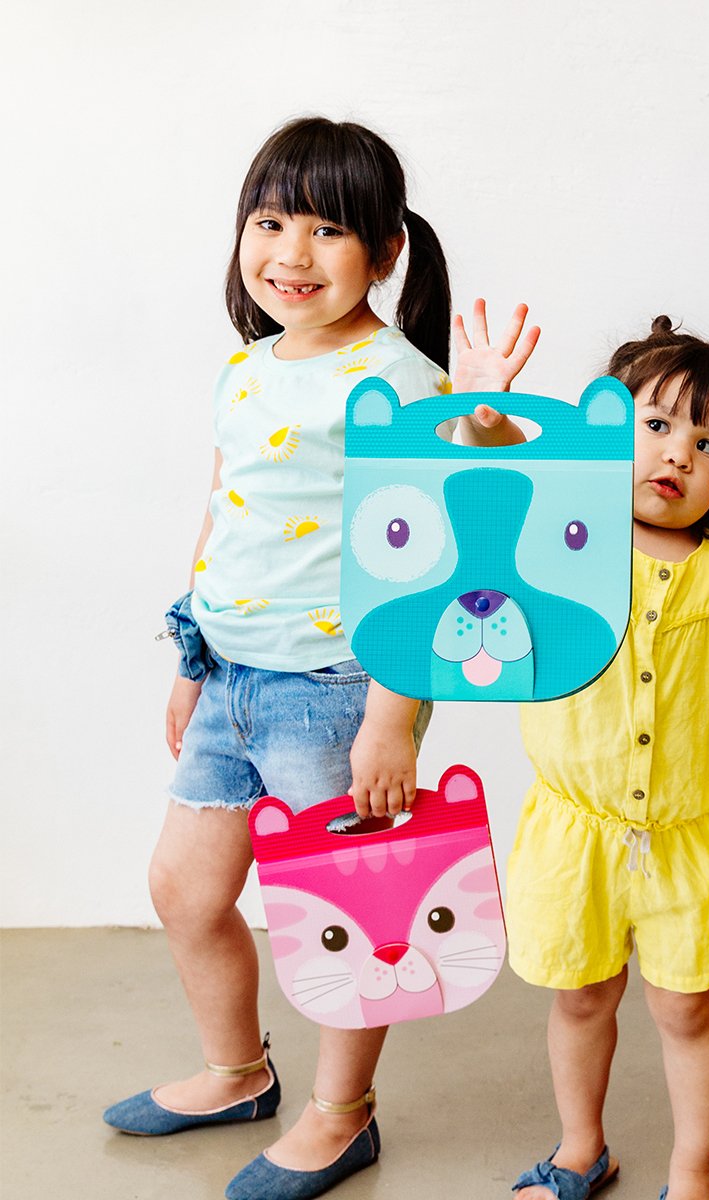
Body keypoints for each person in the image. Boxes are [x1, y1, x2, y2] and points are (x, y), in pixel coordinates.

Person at [102, 115, 468, 1200]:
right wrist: (190, 650)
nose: (290, 254)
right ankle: (238, 1071)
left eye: (325, 229)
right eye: (269, 222)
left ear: (387, 250)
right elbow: (229, 515)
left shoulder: (404, 387)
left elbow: (433, 570)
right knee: (184, 888)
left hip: (339, 692)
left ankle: (341, 1116)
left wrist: (392, 719)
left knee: (351, 923)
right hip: (231, 680)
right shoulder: (246, 369)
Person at [455, 305, 709, 1200]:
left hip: (688, 839)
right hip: (576, 837)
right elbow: (484, 484)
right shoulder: (563, 537)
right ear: (607, 431)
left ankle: (694, 1172)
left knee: (688, 1008)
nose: (679, 455)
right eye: (655, 426)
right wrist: (485, 412)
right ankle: (579, 1149)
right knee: (582, 998)